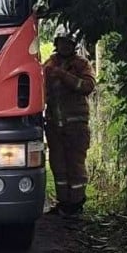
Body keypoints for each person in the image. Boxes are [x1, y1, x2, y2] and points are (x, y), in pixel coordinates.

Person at [43, 34, 96, 216]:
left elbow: (88, 86)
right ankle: (63, 203)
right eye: (62, 43)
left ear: (73, 45)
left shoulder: (81, 64)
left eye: (69, 43)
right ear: (57, 44)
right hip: (54, 125)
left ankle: (76, 203)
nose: (65, 46)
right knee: (58, 165)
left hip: (76, 126)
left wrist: (64, 75)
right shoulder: (49, 64)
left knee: (75, 165)